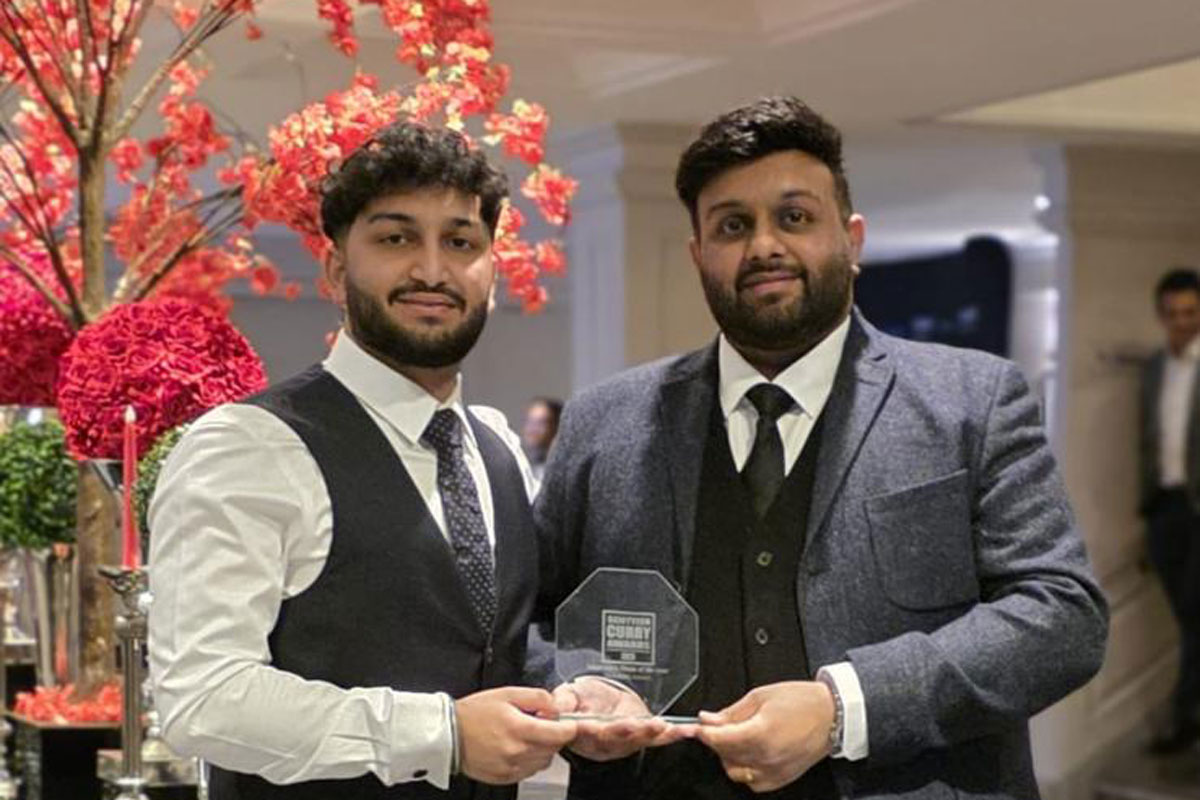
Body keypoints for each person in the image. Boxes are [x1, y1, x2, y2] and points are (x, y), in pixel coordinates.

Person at [534, 96, 1108, 798]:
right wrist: (577, 689)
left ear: (853, 238)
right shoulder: (605, 422)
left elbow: (1061, 617)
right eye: (733, 225)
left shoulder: (973, 401)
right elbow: (526, 622)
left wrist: (846, 706)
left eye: (795, 217)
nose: (764, 246)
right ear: (698, 254)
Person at [148, 121, 577, 800]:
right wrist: (442, 735)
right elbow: (203, 698)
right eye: (396, 237)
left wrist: (575, 694)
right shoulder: (248, 446)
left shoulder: (493, 446)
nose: (433, 270)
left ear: (491, 270)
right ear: (334, 267)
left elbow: (490, 644)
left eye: (460, 242)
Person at [1139, 267, 1200, 754]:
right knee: (1187, 616)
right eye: (1173, 314)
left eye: (1190, 313)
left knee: (1196, 614)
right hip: (1166, 507)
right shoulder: (1156, 366)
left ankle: (1186, 721)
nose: (1181, 323)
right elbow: (1149, 439)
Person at [520, 397, 562, 483]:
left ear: (557, 427)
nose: (532, 429)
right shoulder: (519, 466)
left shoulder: (562, 471)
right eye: (529, 421)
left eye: (541, 422)